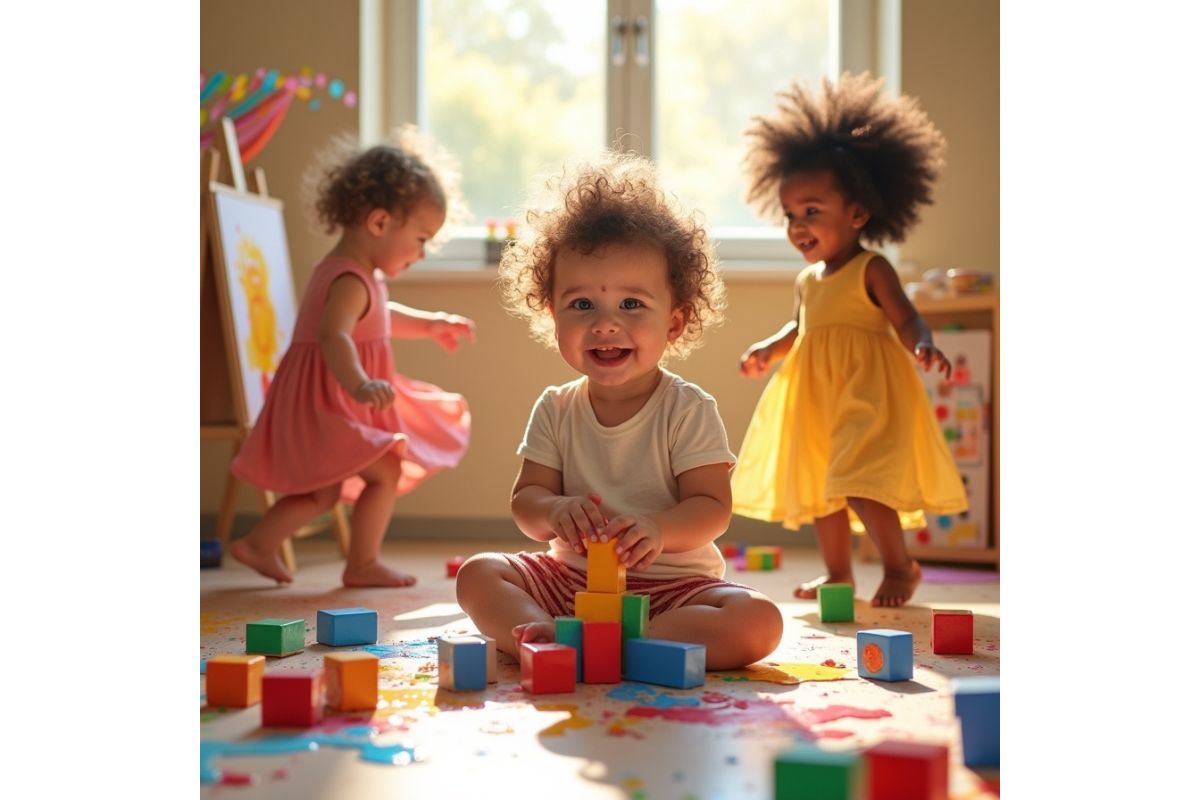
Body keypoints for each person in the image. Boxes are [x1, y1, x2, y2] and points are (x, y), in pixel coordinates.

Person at [456, 152, 783, 670]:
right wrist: (552, 511)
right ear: (552, 314)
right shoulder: (556, 407)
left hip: (672, 590)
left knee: (760, 620)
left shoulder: (687, 408)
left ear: (675, 323)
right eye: (582, 305)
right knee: (477, 572)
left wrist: (658, 529)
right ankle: (541, 634)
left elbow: (712, 509)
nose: (606, 324)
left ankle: (636, 643)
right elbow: (526, 501)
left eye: (632, 305)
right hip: (569, 583)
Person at [733, 73, 968, 607]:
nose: (798, 226)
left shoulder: (871, 268)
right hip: (817, 397)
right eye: (791, 215)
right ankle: (838, 572)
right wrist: (770, 349)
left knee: (858, 480)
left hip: (867, 392)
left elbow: (906, 318)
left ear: (857, 213)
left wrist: (923, 344)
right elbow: (802, 327)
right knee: (823, 486)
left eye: (812, 212)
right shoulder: (807, 280)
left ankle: (899, 565)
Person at [230, 127, 475, 588]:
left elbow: (380, 318)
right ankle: (361, 564)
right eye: (421, 240)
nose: (421, 254)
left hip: (324, 403)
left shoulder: (358, 277)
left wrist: (430, 324)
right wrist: (359, 383)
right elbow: (334, 337)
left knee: (322, 492)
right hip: (328, 403)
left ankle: (258, 544)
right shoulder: (349, 280)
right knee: (385, 469)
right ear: (380, 223)